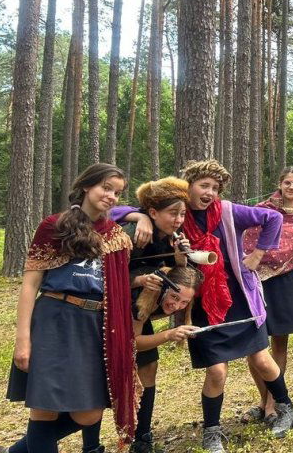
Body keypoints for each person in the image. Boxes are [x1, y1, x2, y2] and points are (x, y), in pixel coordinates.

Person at [112, 160, 293, 452]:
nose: (210, 192)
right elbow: (113, 211)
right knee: (217, 371)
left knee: (261, 359)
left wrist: (258, 255)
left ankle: (285, 408)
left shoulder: (227, 211)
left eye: (215, 187)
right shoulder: (177, 214)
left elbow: (272, 219)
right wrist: (139, 217)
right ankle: (212, 431)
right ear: (189, 187)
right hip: (203, 304)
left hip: (239, 297)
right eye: (204, 185)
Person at [3, 163, 137, 453]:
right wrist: (22, 339)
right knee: (45, 408)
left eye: (117, 192)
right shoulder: (54, 225)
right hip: (55, 319)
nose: (111, 196)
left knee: (89, 412)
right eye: (106, 188)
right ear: (87, 186)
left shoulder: (115, 235)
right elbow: (30, 284)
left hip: (94, 325)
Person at [117, 176, 195, 452]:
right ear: (153, 212)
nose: (178, 220)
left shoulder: (169, 237)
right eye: (173, 213)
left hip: (143, 309)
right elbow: (104, 280)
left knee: (148, 367)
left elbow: (173, 273)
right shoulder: (132, 233)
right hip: (113, 312)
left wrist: (179, 258)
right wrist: (138, 281)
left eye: (182, 214)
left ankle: (143, 438)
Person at [242, 167, 293, 423]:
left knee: (279, 344)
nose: (291, 187)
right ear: (280, 183)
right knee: (255, 346)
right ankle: (262, 399)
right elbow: (247, 241)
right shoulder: (262, 211)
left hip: (286, 283)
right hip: (256, 282)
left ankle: (271, 404)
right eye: (287, 182)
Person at [129, 266, 202, 452]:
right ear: (165, 288)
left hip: (139, 322)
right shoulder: (145, 294)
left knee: (149, 366)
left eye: (184, 302)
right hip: (107, 321)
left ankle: (143, 438)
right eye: (174, 298)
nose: (177, 306)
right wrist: (168, 335)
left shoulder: (179, 291)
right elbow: (134, 343)